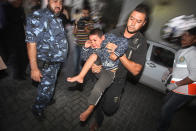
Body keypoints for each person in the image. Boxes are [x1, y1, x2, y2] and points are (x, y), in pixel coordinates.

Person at [89, 4, 150, 130]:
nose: (133, 23)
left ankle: (114, 98)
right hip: (104, 74)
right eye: (131, 18)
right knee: (99, 101)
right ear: (128, 17)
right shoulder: (115, 32)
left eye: (138, 21)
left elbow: (136, 70)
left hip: (118, 81)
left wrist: (119, 53)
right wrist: (96, 65)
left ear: (144, 23)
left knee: (110, 109)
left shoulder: (141, 43)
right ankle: (98, 120)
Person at [67, 28, 128, 122]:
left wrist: (116, 52)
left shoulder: (109, 39)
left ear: (102, 38)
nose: (93, 43)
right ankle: (80, 76)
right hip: (100, 70)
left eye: (95, 40)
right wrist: (86, 48)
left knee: (97, 89)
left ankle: (89, 110)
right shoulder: (93, 47)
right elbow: (85, 58)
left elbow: (124, 41)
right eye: (91, 40)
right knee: (93, 56)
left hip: (110, 73)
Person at [25, 0, 68, 120]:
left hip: (55, 64)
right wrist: (34, 68)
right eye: (55, 1)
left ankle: (46, 99)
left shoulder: (57, 18)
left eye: (60, 2)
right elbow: (31, 44)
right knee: (45, 88)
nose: (58, 4)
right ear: (47, 1)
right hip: (46, 65)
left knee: (50, 86)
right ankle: (37, 108)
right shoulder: (37, 17)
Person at [157, 27, 196, 131]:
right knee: (165, 102)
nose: (184, 36)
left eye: (188, 35)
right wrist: (168, 71)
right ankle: (163, 121)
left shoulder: (193, 53)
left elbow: (194, 76)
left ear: (194, 39)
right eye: (184, 34)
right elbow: (179, 67)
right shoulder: (181, 51)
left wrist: (176, 84)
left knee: (167, 108)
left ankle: (162, 128)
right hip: (178, 87)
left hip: (187, 90)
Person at [68, 7, 94, 91]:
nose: (85, 15)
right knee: (76, 64)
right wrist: (76, 24)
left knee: (81, 65)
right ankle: (77, 79)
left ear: (89, 14)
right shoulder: (78, 21)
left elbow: (89, 34)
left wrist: (85, 25)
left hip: (85, 47)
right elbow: (74, 33)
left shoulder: (90, 22)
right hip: (77, 46)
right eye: (83, 13)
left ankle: (80, 85)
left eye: (86, 13)